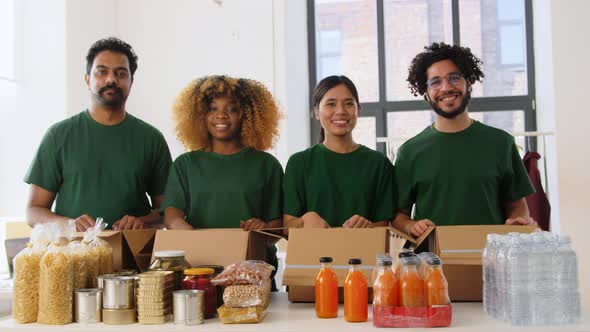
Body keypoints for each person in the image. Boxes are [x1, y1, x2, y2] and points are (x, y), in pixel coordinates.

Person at [24, 37, 172, 231]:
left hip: (135, 254)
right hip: (73, 254)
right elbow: (34, 211)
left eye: (121, 73)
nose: (111, 79)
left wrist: (143, 221)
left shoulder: (151, 139)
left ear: (131, 81)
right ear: (88, 79)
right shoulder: (58, 136)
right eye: (102, 72)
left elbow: (168, 213)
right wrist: (69, 225)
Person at [393, 42, 535, 239]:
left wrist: (518, 221)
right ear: (425, 92)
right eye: (435, 82)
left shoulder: (501, 143)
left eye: (454, 78)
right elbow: (398, 216)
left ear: (469, 83)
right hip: (433, 263)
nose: (446, 88)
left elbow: (517, 205)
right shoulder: (410, 152)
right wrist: (411, 226)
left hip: (490, 261)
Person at [161, 75, 283, 289]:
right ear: (200, 115)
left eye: (232, 109)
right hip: (201, 274)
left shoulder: (267, 165)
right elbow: (172, 215)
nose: (221, 116)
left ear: (247, 115)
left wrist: (262, 228)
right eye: (212, 108)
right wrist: (195, 238)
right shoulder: (186, 164)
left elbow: (278, 226)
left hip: (252, 277)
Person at [283, 75, 395, 229]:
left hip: (363, 252)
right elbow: (287, 225)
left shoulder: (379, 164)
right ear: (316, 112)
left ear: (358, 110)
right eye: (331, 104)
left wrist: (367, 227)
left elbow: (385, 225)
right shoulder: (299, 163)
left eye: (349, 104)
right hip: (312, 252)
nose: (340, 111)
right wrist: (305, 221)